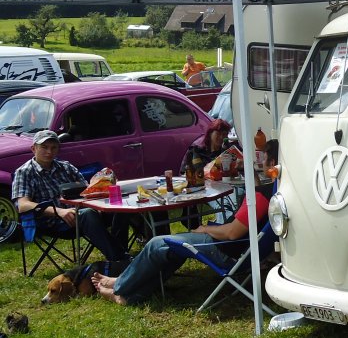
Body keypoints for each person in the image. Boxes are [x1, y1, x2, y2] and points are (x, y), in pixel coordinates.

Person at [92, 140, 278, 305]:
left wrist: (205, 228)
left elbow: (232, 233)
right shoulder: (276, 191)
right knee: (169, 252)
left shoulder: (261, 197)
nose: (260, 162)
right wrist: (251, 173)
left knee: (156, 245)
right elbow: (253, 210)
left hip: (226, 249)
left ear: (271, 163)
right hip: (244, 252)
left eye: (264, 158)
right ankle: (128, 296)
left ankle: (120, 284)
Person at [12, 130, 130, 261]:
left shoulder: (66, 167)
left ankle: (122, 251)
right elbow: (22, 205)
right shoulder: (24, 172)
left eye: (53, 147)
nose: (49, 152)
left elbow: (88, 191)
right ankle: (120, 259)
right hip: (53, 222)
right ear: (33, 148)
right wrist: (59, 212)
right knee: (88, 214)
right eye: (44, 147)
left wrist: (104, 183)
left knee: (120, 206)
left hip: (81, 212)